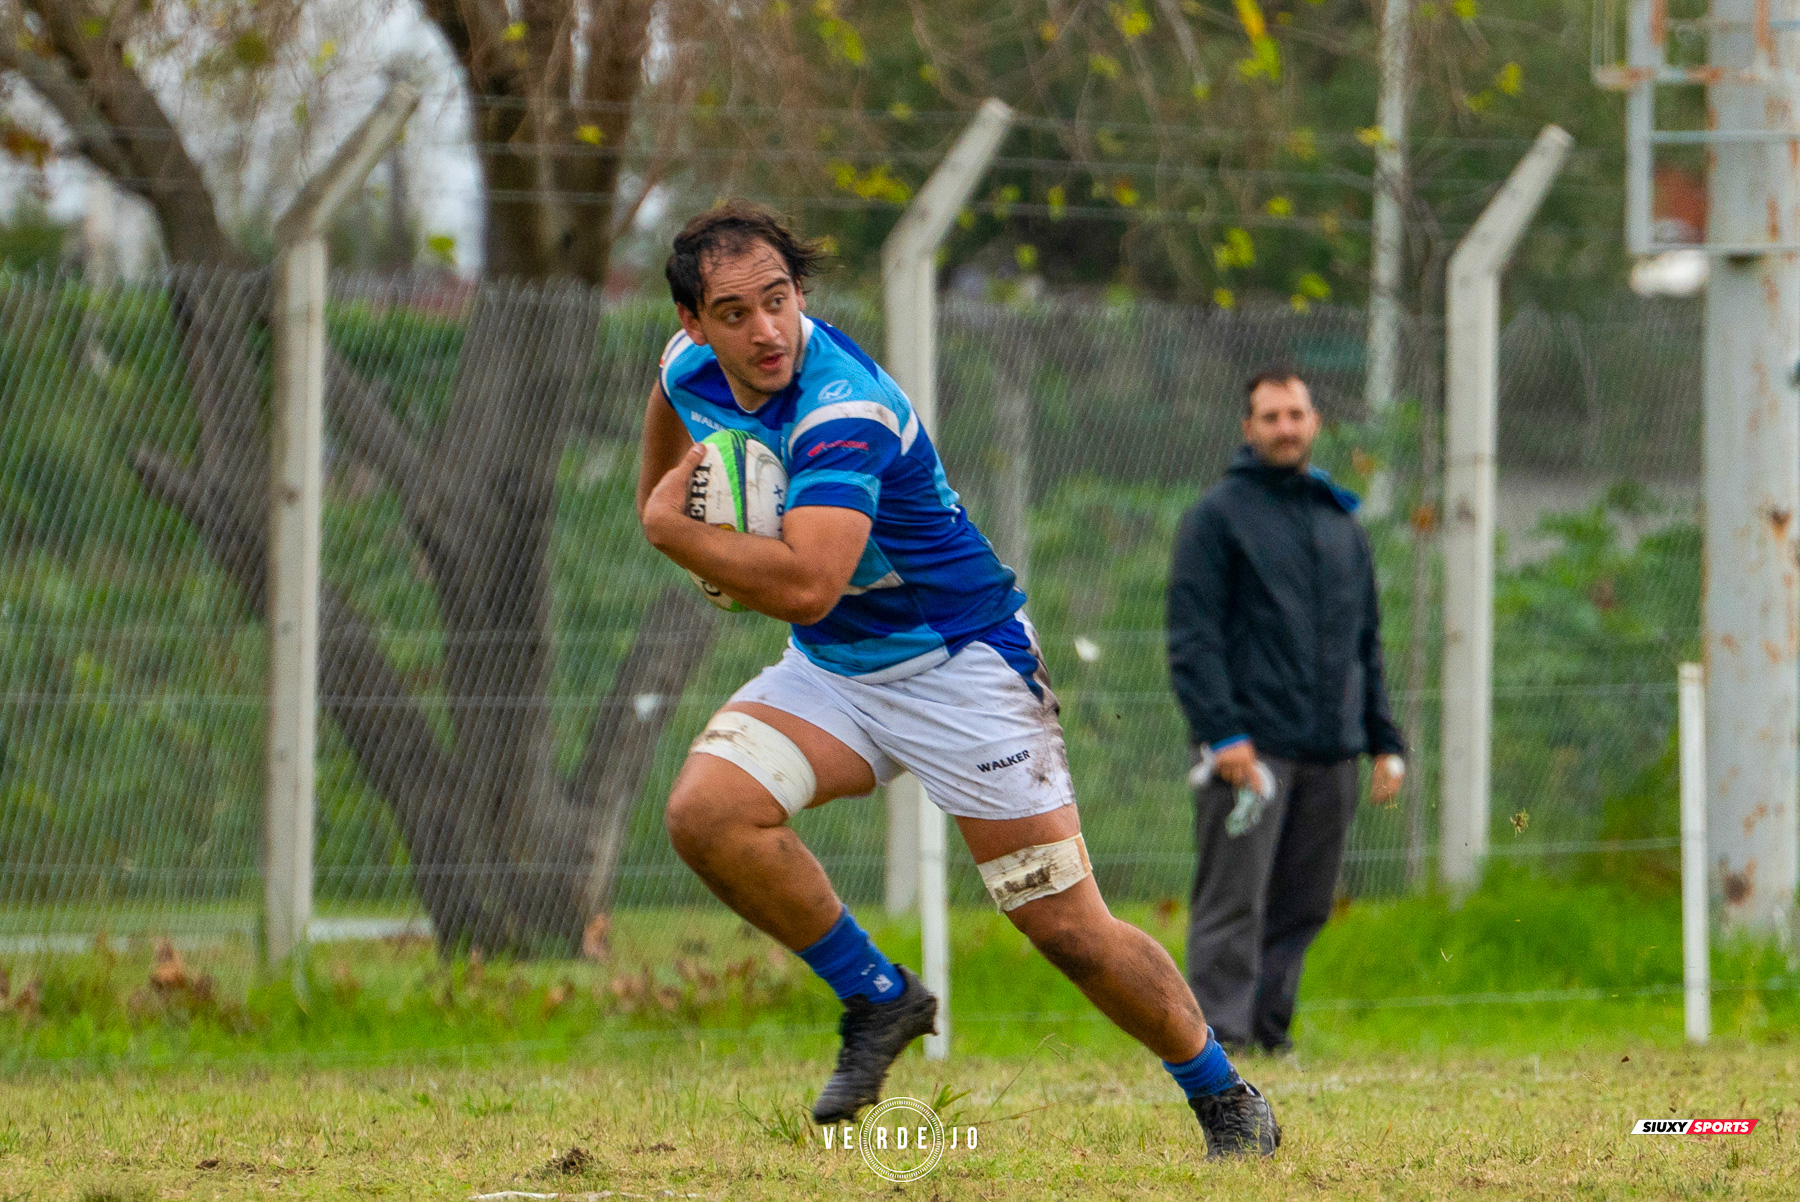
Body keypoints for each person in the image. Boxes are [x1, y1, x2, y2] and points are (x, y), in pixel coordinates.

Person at [636, 201, 1279, 1157]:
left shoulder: (840, 410)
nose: (765, 330)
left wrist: (672, 530)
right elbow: (671, 410)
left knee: (1067, 930)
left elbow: (810, 584)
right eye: (734, 313)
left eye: (779, 300)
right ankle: (878, 995)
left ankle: (1224, 1096)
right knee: (706, 813)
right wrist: (684, 508)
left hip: (962, 667)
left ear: (801, 293)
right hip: (837, 673)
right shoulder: (688, 367)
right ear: (695, 324)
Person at [1166, 367, 1406, 1055]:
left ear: (1315, 422)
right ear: (1249, 429)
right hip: (1250, 752)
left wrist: (1384, 742)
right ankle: (1220, 1047)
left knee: (1302, 904)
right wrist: (1222, 735)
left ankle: (1269, 1035)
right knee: (1233, 903)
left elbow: (1367, 643)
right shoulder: (1216, 518)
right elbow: (1193, 638)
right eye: (1270, 417)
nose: (1285, 428)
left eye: (1295, 415)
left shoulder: (1341, 522)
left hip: (1329, 751)